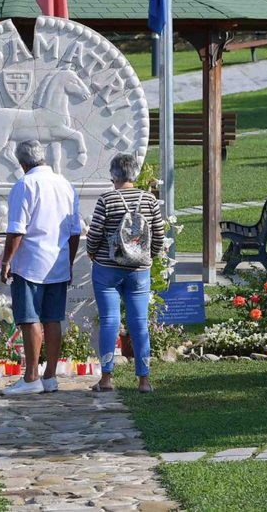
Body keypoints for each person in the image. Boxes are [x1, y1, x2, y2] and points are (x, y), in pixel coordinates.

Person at [0, 140, 81, 396]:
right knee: (53, 319)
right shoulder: (65, 184)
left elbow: (17, 229)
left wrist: (6, 261)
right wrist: (69, 262)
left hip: (31, 262)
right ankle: (50, 376)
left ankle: (31, 377)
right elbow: (75, 232)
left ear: (22, 163)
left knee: (30, 318)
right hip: (58, 260)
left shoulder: (25, 184)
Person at [86, 153, 165, 394]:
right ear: (135, 174)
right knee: (139, 323)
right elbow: (159, 235)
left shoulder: (107, 200)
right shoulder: (149, 199)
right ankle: (144, 380)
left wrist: (92, 253)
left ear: (113, 175)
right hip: (139, 270)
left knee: (110, 321)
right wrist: (147, 256)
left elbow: (94, 234)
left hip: (107, 268)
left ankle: (106, 378)